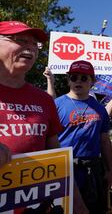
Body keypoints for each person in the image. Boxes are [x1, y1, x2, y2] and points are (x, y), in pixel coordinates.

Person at [0, 20, 88, 213]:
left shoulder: (44, 99)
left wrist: (77, 202)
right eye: (20, 40)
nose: (30, 48)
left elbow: (57, 156)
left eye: (34, 44)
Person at [55, 60, 112, 213]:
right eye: (74, 77)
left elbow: (104, 140)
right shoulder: (56, 105)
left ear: (92, 81)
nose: (78, 81)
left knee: (96, 209)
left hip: (93, 168)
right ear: (68, 80)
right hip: (66, 168)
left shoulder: (99, 108)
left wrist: (110, 169)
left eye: (84, 78)